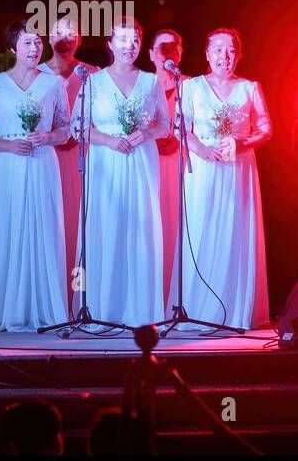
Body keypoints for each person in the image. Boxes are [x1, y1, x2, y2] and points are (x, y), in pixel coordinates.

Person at [0, 21, 71, 332]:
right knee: (5, 229)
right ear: (13, 48)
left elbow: (66, 129)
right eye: (27, 43)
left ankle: (40, 309)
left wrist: (48, 137)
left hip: (41, 164)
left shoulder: (52, 84)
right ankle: (0, 309)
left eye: (38, 42)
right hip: (6, 166)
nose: (34, 48)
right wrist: (9, 145)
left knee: (41, 231)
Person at [73, 17, 170, 327]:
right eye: (123, 40)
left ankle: (140, 311)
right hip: (106, 161)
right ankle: (103, 309)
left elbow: (165, 124)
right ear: (110, 44)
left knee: (140, 229)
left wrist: (147, 133)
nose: (130, 46)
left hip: (141, 160)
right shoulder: (93, 81)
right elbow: (78, 126)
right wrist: (108, 140)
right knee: (105, 228)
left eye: (135, 41)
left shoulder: (151, 81)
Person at [176, 28, 271, 330]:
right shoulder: (191, 87)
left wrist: (243, 143)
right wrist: (201, 149)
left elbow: (266, 128)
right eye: (217, 49)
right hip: (204, 169)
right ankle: (198, 307)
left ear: (238, 55)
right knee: (204, 229)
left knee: (235, 231)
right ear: (206, 53)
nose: (224, 56)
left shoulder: (249, 88)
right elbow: (181, 129)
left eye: (230, 50)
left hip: (238, 169)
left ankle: (235, 309)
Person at [37, 17, 97, 291]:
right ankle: (49, 293)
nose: (65, 38)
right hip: (44, 158)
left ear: (80, 40)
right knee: (47, 223)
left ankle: (78, 295)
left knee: (78, 225)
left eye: (72, 33)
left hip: (81, 159)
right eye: (59, 33)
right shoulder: (34, 74)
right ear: (48, 38)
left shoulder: (93, 74)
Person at [150, 29, 186, 306]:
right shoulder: (142, 85)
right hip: (149, 165)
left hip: (181, 166)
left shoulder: (192, 86)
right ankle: (152, 295)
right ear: (151, 54)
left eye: (173, 47)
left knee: (178, 225)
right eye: (162, 48)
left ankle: (179, 295)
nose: (168, 52)